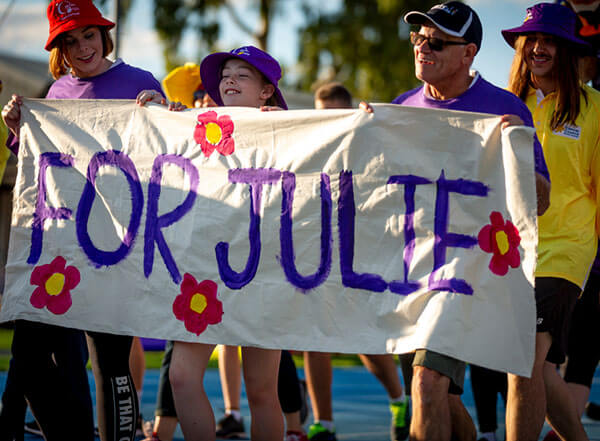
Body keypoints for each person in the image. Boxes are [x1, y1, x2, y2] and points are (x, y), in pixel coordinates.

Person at [362, 2, 550, 440]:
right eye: (418, 38)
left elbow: (540, 199)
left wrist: (514, 156)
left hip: (468, 272)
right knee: (440, 399)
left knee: (426, 386)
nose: (423, 48)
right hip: (410, 275)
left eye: (437, 42)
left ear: (468, 54)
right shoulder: (400, 108)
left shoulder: (503, 109)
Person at [0, 1, 164, 440]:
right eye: (69, 41)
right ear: (59, 50)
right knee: (30, 360)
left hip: (118, 250)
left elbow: (172, 153)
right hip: (59, 250)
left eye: (88, 35)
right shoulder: (55, 94)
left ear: (103, 34)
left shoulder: (140, 83)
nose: (82, 47)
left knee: (109, 362)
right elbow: (43, 166)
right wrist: (18, 129)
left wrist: (164, 111)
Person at [139, 45, 287, 441]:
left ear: (266, 91)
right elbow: (163, 142)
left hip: (264, 272)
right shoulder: (195, 122)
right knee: (182, 377)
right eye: (225, 75)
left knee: (260, 391)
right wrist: (159, 111)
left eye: (242, 74)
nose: (229, 80)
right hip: (204, 271)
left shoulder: (290, 130)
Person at [502, 3, 599, 440]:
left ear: (566, 50)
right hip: (509, 249)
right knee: (535, 366)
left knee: (523, 362)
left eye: (550, 42)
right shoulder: (504, 106)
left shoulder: (594, 107)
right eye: (532, 41)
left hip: (567, 249)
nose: (539, 49)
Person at [307, 81, 410, 441]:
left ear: (350, 113)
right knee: (314, 335)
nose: (330, 122)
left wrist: (374, 122)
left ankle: (399, 399)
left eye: (338, 115)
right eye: (324, 116)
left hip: (359, 252)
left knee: (363, 339)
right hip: (314, 250)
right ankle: (324, 423)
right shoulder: (308, 142)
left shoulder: (367, 141)